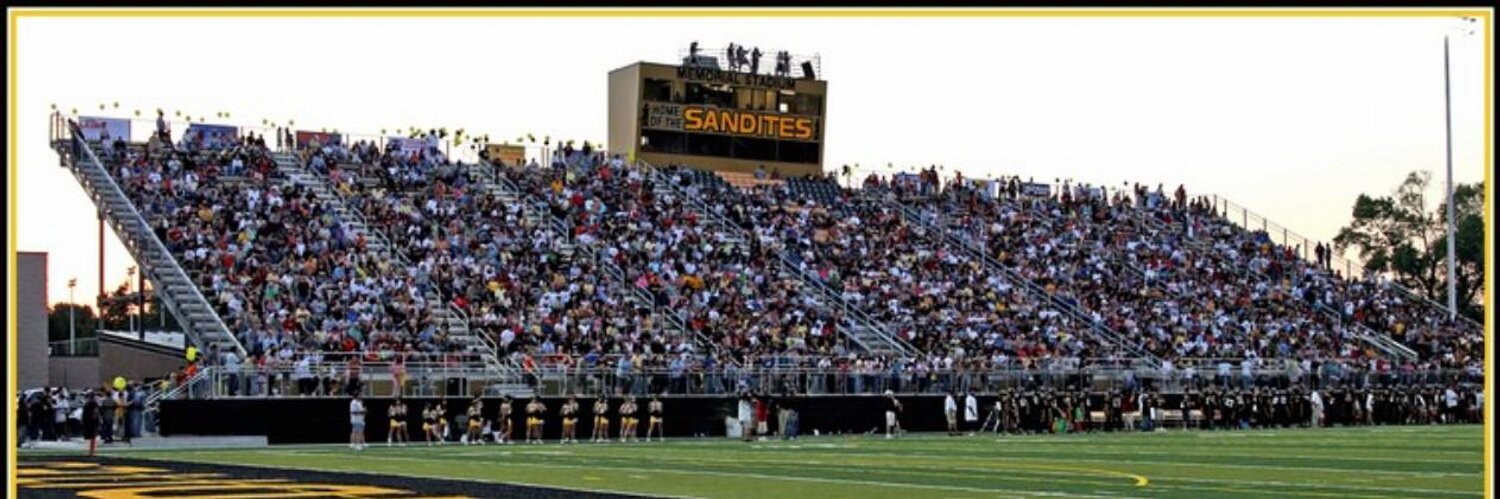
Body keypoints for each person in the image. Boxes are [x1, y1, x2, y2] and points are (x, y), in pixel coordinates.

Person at [82, 390, 100, 456]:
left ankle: (91, 451)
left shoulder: (89, 403)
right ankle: (91, 451)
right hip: (91, 421)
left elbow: (95, 412)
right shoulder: (93, 403)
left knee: (91, 437)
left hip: (89, 421)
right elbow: (96, 412)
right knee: (92, 437)